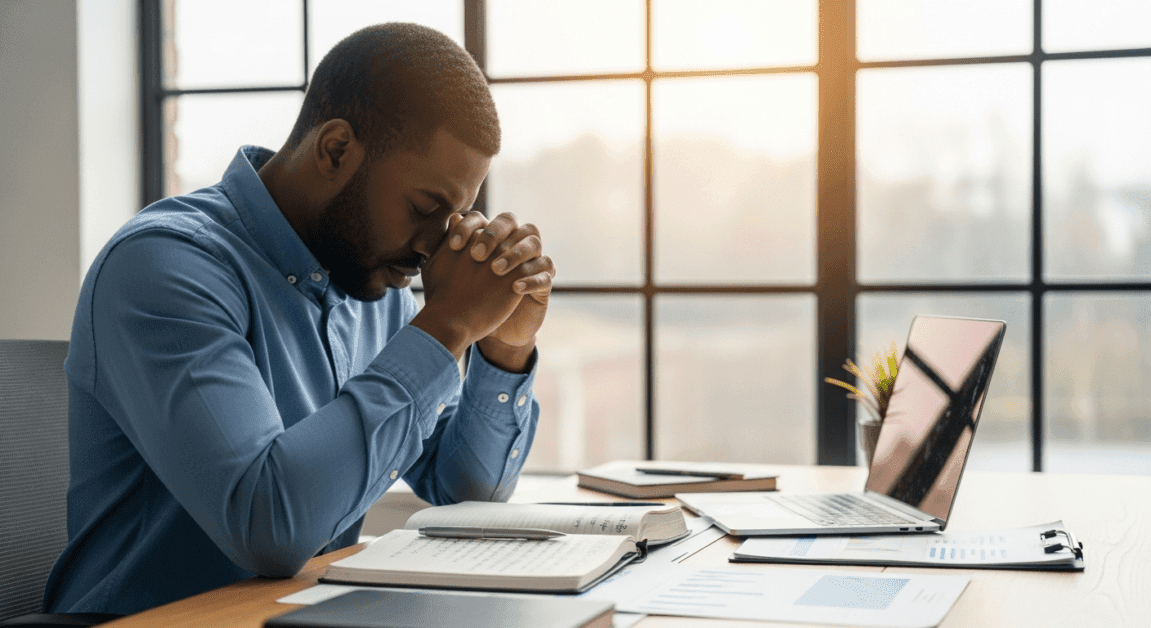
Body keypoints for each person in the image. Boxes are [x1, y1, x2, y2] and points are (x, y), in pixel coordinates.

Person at [44, 23, 554, 616]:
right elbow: (269, 526)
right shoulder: (163, 267)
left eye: (457, 216)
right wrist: (445, 328)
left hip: (303, 613)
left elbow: (467, 493)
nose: (434, 246)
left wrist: (504, 349)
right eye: (425, 207)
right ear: (335, 149)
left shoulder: (374, 286)